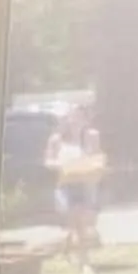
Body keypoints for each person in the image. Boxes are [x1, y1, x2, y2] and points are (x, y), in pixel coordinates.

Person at [45, 110, 107, 261]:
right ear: (65, 120)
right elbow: (48, 161)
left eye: (79, 118)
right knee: (71, 221)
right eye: (72, 118)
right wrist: (61, 164)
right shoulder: (56, 139)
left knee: (83, 223)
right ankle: (70, 245)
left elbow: (98, 156)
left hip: (87, 183)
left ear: (85, 120)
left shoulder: (92, 136)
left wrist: (96, 165)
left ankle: (84, 261)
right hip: (65, 183)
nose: (75, 121)